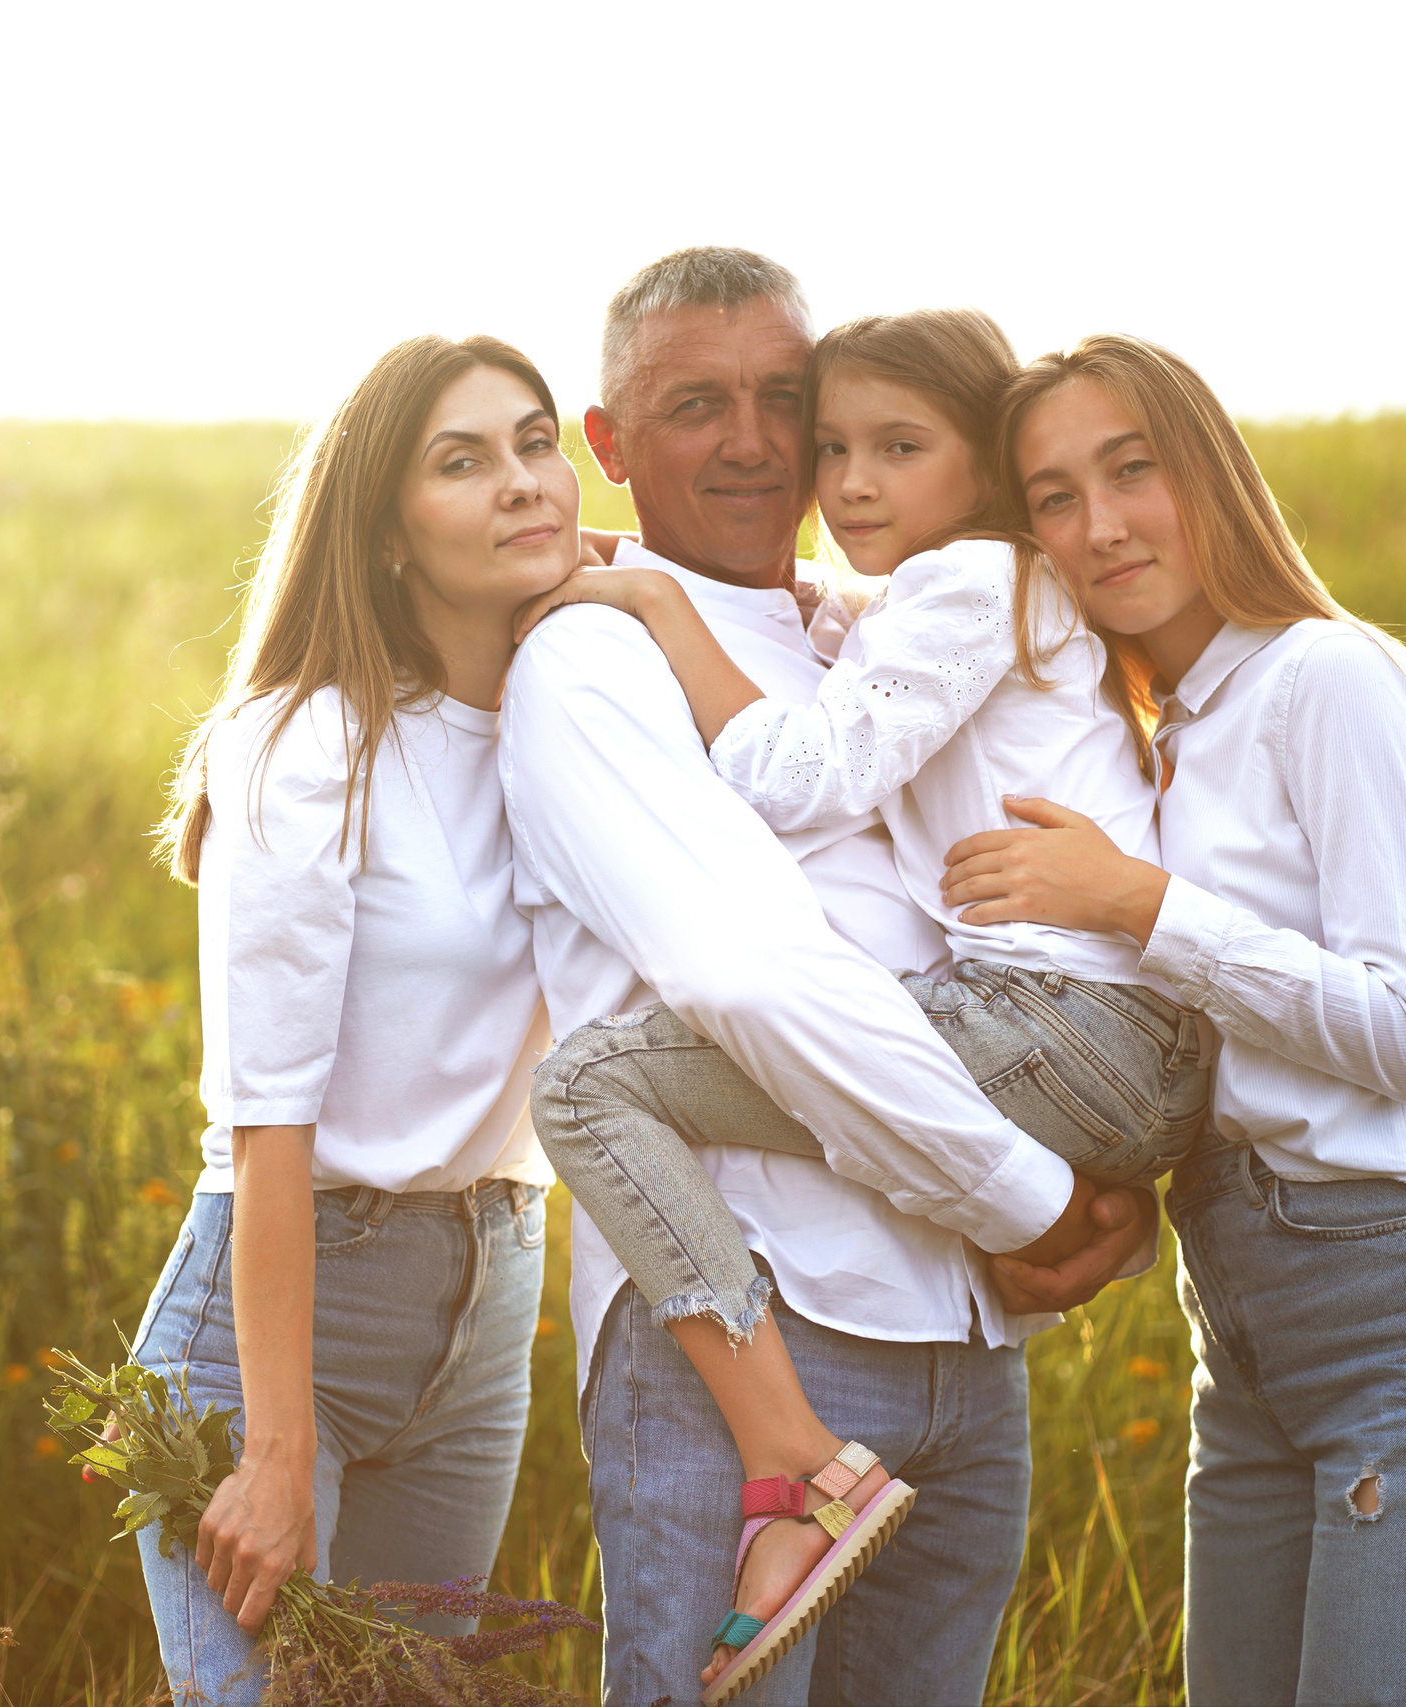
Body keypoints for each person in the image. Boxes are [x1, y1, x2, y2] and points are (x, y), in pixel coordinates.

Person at [512, 307, 1213, 1698]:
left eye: (796, 404)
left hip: (967, 1328)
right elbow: (748, 979)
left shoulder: (904, 607)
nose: (785, 453)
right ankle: (790, 1455)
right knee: (593, 1081)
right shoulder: (600, 657)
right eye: (702, 404)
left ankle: (809, 1459)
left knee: (594, 1087)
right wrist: (1036, 1201)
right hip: (797, 1316)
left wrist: (1052, 1214)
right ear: (614, 442)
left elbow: (815, 773)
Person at [943, 334, 1406, 1704]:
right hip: (1240, 1314)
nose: (1099, 526)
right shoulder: (1157, 744)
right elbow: (1218, 1058)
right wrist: (1103, 1195)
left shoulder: (1326, 678)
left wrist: (1137, 904)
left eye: (1133, 469)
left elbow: (1404, 1028)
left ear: (1211, 473)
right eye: (1053, 497)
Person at [132, 333, 578, 1703]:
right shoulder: (306, 742)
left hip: (491, 1284)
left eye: (535, 443)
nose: (519, 483)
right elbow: (266, 1123)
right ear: (386, 534)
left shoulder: (580, 717)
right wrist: (271, 1456)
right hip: (291, 1311)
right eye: (462, 461)